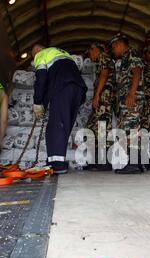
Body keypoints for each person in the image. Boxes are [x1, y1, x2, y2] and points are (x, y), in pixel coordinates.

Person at [32, 44, 87, 174]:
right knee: (64, 125)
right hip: (78, 89)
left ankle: (57, 164)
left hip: (63, 87)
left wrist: (38, 102)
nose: (34, 58)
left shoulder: (41, 54)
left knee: (56, 125)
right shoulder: (65, 55)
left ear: (37, 51)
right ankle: (56, 160)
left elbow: (41, 79)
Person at [110, 34, 145, 174]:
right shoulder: (125, 58)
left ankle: (134, 164)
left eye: (113, 48)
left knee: (131, 130)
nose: (113, 51)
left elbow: (137, 72)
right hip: (127, 98)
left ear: (119, 44)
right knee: (132, 129)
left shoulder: (131, 54)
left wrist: (131, 93)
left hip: (132, 99)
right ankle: (138, 163)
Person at [84, 43, 115, 171]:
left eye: (90, 52)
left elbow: (104, 74)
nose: (89, 55)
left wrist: (97, 95)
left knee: (102, 128)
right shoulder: (103, 59)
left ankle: (104, 162)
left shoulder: (104, 57)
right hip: (103, 98)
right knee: (92, 128)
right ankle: (95, 161)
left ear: (95, 50)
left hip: (104, 98)